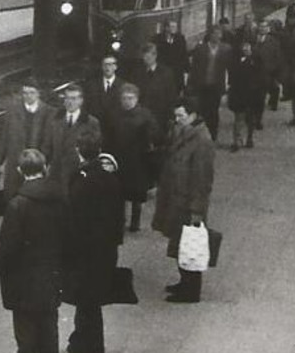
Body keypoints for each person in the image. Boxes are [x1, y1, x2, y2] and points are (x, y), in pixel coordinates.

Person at [0, 149, 65, 353]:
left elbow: (8, 248)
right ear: (44, 168)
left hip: (24, 276)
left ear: (21, 171)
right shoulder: (58, 197)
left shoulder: (18, 204)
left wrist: (3, 270)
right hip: (52, 272)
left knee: (25, 327)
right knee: (48, 323)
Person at [64, 129, 124, 353]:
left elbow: (76, 220)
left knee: (88, 303)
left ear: (79, 151)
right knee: (87, 301)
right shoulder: (108, 178)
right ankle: (79, 343)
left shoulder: (84, 180)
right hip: (104, 250)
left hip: (87, 252)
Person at [152, 101, 215, 304]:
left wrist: (197, 209)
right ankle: (184, 282)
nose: (177, 120)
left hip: (188, 204)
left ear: (193, 115)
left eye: (181, 116)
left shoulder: (202, 141)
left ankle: (191, 291)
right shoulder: (183, 132)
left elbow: (202, 179)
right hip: (176, 200)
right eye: (176, 116)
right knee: (180, 244)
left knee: (190, 246)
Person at [0, 82, 59, 202]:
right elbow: (5, 137)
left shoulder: (50, 112)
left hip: (37, 165)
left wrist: (45, 162)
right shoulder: (13, 111)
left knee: (36, 199)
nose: (28, 96)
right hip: (15, 164)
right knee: (12, 198)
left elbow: (50, 141)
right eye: (25, 93)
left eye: (31, 93)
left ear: (38, 94)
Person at [112, 83, 157, 233]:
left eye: (130, 98)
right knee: (119, 192)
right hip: (119, 158)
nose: (127, 101)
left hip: (138, 159)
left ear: (137, 99)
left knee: (137, 193)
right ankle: (120, 220)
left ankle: (135, 221)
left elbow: (154, 134)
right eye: (124, 98)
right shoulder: (115, 114)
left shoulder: (145, 115)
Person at [50, 84, 100, 193]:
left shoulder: (91, 122)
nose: (69, 102)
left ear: (81, 101)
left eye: (73, 98)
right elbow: (47, 145)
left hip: (77, 175)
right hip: (56, 175)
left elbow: (93, 153)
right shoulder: (55, 119)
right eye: (67, 98)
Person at [186, 26, 230, 143]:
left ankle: (213, 134)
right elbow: (194, 68)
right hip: (202, 84)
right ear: (210, 35)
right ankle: (203, 133)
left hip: (216, 85)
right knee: (203, 109)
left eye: (219, 34)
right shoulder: (201, 49)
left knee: (214, 110)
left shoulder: (226, 49)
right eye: (215, 34)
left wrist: (226, 88)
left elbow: (229, 69)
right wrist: (191, 84)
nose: (217, 36)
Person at [226, 38, 267, 150]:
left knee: (250, 119)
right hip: (239, 93)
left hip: (252, 94)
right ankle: (237, 141)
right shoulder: (235, 59)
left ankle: (249, 138)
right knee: (238, 118)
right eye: (243, 46)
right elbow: (232, 75)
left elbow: (261, 76)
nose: (245, 48)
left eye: (247, 46)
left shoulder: (256, 59)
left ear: (251, 47)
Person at [84, 54, 128, 150]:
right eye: (105, 64)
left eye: (111, 64)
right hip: (96, 131)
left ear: (116, 67)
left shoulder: (123, 86)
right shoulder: (91, 85)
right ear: (102, 67)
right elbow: (86, 107)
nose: (108, 67)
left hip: (116, 132)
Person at [135, 42, 179, 132]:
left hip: (160, 117)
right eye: (145, 56)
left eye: (150, 56)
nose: (148, 59)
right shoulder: (137, 73)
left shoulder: (166, 73)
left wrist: (170, 117)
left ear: (155, 56)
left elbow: (171, 96)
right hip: (141, 117)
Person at [256, 21, 284, 118]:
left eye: (264, 27)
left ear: (268, 29)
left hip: (269, 70)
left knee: (273, 88)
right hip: (256, 70)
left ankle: (273, 103)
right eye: (260, 26)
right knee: (259, 92)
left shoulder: (274, 41)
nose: (262, 29)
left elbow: (278, 56)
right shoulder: (254, 39)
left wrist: (276, 69)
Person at [155, 19, 189, 91]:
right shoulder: (157, 39)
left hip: (177, 74)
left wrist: (186, 71)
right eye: (172, 27)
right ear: (166, 28)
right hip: (163, 73)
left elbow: (184, 55)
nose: (175, 29)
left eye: (175, 27)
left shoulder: (180, 38)